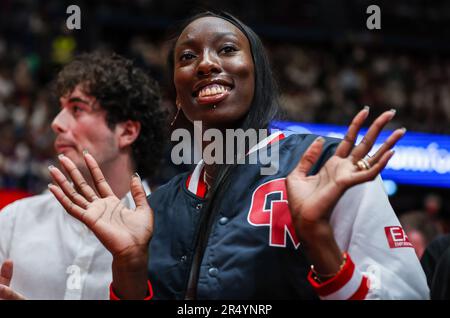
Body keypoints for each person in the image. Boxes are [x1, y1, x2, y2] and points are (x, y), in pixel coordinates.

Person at [49, 11, 429, 300]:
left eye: (227, 49)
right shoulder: (153, 210)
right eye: (186, 57)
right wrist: (129, 267)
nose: (206, 63)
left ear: (257, 74)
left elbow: (408, 293)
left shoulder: (324, 166)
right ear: (178, 97)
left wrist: (318, 238)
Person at [0, 52, 167, 299]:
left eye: (77, 109)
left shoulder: (170, 229)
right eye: (60, 109)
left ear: (127, 131)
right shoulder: (14, 219)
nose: (56, 123)